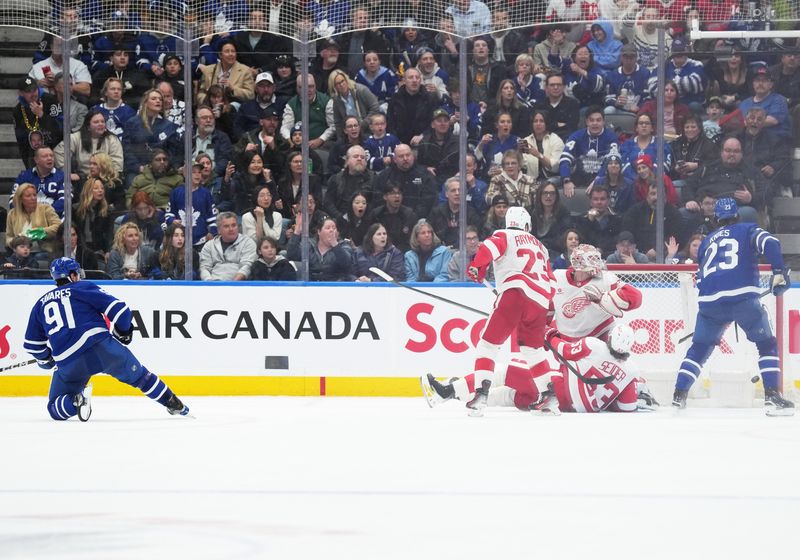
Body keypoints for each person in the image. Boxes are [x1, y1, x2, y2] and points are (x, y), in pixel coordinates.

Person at [23, 257, 191, 421]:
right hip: (102, 348)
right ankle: (173, 402)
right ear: (73, 275)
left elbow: (33, 345)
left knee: (54, 407)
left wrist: (46, 360)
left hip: (68, 361)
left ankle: (76, 401)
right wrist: (122, 332)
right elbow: (121, 311)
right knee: (142, 377)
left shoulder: (40, 305)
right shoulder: (82, 287)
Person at [672, 198, 794, 416]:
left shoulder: (707, 240)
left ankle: (678, 397)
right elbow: (772, 244)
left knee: (699, 349)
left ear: (716, 219)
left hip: (709, 303)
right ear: (737, 214)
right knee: (767, 344)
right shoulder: (747, 229)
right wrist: (778, 272)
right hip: (742, 299)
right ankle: (773, 397)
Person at [422, 324, 653, 414]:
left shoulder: (595, 345)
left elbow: (562, 349)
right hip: (567, 408)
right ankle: (458, 391)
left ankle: (447, 392)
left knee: (504, 371)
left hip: (556, 390)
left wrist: (549, 334)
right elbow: (627, 407)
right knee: (512, 396)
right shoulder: (631, 370)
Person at [460, 206, 556, 415]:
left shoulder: (503, 234)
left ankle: (480, 395)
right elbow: (552, 280)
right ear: (527, 225)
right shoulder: (541, 246)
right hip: (540, 300)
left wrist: (478, 266)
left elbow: (488, 249)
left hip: (515, 291)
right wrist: (549, 311)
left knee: (488, 345)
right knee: (533, 350)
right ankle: (548, 396)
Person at [550, 243, 643, 341]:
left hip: (599, 334)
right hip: (565, 336)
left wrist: (604, 298)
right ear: (577, 262)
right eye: (591, 259)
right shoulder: (557, 277)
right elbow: (547, 308)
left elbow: (636, 297)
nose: (596, 264)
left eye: (597, 259)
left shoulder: (606, 279)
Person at [559, 106, 619, 197]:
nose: (595, 123)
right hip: (578, 182)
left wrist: (598, 180)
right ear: (587, 122)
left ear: (603, 122)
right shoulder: (576, 136)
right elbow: (564, 159)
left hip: (603, 183)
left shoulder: (611, 138)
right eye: (591, 120)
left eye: (598, 120)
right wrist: (566, 180)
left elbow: (611, 162)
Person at [165, 161, 219, 247]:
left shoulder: (206, 193)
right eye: (193, 172)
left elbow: (212, 217)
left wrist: (212, 232)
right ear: (185, 174)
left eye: (199, 172)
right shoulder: (176, 192)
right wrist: (172, 220)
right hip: (181, 241)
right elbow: (168, 214)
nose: (197, 175)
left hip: (201, 241)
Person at [286, 214, 356, 282]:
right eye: (328, 228)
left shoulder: (344, 245)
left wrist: (335, 245)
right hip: (311, 285)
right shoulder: (309, 244)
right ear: (319, 231)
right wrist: (297, 232)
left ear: (337, 232)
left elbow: (347, 264)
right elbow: (291, 255)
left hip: (334, 285)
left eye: (334, 228)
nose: (331, 230)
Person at [5, 182, 61, 258]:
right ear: (20, 199)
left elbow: (59, 227)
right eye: (28, 196)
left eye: (34, 195)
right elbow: (8, 237)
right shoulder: (12, 214)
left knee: (38, 257)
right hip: (20, 254)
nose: (33, 198)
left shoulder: (46, 209)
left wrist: (37, 233)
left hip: (44, 251)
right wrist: (15, 241)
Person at [199, 212, 258, 281]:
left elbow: (247, 267)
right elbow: (204, 268)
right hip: (213, 284)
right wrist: (210, 283)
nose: (231, 229)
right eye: (226, 226)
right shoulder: (209, 245)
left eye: (234, 225)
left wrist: (231, 284)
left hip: (238, 285)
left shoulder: (248, 243)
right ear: (218, 230)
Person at [196, 40, 255, 106]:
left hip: (233, 108)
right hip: (211, 107)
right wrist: (210, 100)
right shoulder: (208, 70)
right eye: (227, 51)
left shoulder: (245, 70)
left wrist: (233, 89)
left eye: (233, 51)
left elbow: (251, 95)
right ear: (220, 55)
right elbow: (200, 94)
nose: (231, 54)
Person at [428, 177, 481, 249]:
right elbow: (429, 234)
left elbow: (477, 237)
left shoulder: (472, 213)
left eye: (460, 190)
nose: (457, 193)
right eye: (453, 190)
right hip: (440, 251)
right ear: (446, 194)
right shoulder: (436, 212)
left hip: (464, 252)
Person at [73, 169, 114, 260]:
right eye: (96, 188)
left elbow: (109, 233)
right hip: (79, 250)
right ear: (88, 191)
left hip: (99, 250)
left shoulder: (107, 211)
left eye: (102, 188)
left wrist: (108, 251)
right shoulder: (76, 209)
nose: (100, 191)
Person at [366, 182, 418, 253]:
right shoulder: (376, 215)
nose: (397, 196)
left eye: (399, 193)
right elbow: (370, 238)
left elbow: (412, 241)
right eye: (393, 193)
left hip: (403, 252)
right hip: (380, 252)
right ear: (385, 196)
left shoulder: (409, 215)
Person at [530, 179, 573, 255]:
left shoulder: (563, 212)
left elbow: (563, 238)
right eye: (545, 193)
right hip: (536, 250)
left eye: (552, 193)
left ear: (556, 196)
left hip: (555, 251)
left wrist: (544, 244)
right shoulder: (534, 212)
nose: (548, 196)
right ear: (540, 195)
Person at [404, 219, 452, 283]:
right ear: (417, 238)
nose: (427, 235)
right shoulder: (409, 256)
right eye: (423, 233)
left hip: (438, 288)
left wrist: (431, 288)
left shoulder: (444, 252)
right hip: (416, 289)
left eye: (429, 232)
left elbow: (444, 275)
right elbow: (410, 279)